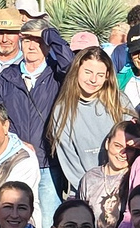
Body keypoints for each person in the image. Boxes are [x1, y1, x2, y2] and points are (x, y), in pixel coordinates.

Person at [47, 45, 128, 202]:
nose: (93, 79)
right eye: (88, 72)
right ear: (77, 71)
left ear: (107, 76)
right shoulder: (63, 110)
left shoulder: (119, 102)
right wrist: (90, 189)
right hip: (85, 191)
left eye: (99, 74)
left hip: (123, 188)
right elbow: (68, 159)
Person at [0, 8, 71, 146]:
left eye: (38, 41)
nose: (32, 47)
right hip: (17, 157)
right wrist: (16, 144)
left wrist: (49, 34)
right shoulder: (6, 77)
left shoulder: (57, 75)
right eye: (27, 41)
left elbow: (70, 63)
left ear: (48, 45)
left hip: (50, 160)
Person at [77, 120, 137, 228]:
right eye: (117, 145)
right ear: (107, 143)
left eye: (130, 149)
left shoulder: (136, 176)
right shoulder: (90, 178)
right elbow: (83, 225)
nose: (122, 153)